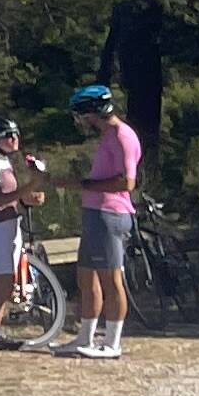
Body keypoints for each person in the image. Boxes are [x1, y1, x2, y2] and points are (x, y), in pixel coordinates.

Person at [67, 81, 141, 360]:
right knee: (86, 276)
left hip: (111, 214)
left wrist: (86, 185)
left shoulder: (122, 135)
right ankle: (84, 337)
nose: (81, 121)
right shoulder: (107, 136)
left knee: (112, 279)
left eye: (82, 114)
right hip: (95, 213)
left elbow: (126, 181)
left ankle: (112, 343)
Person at [0, 116, 53, 345]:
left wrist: (29, 198)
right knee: (3, 282)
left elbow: (12, 197)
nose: (14, 139)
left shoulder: (5, 163)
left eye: (16, 134)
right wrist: (29, 186)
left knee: (5, 283)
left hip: (10, 225)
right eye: (8, 135)